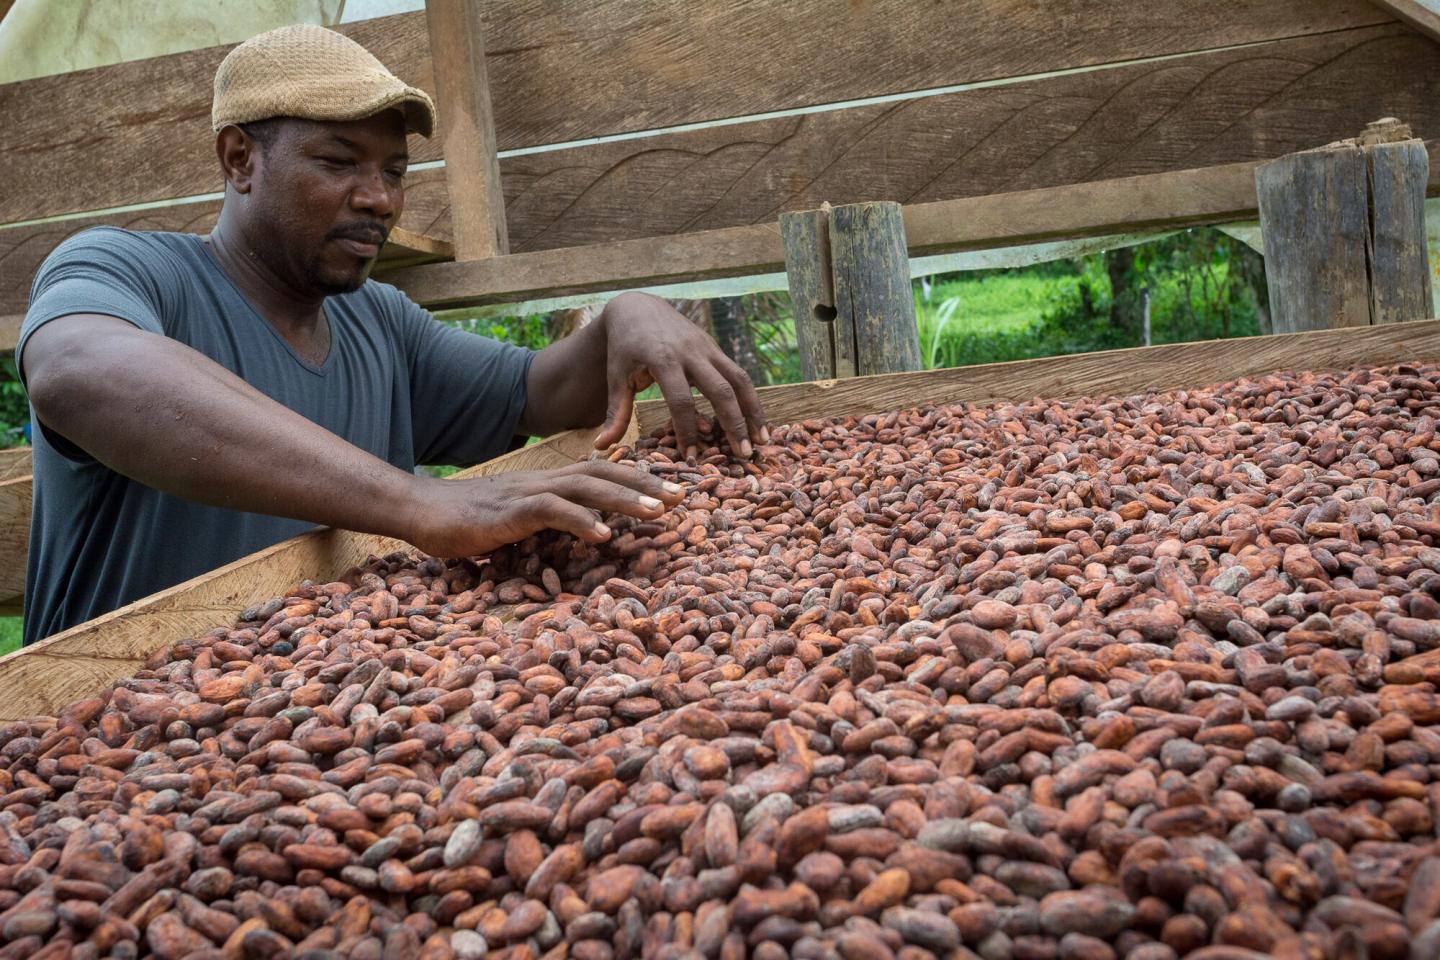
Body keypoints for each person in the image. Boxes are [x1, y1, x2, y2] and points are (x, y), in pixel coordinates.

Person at [16, 24, 767, 645]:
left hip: (338, 722)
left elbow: (538, 392)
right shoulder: (128, 269)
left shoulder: (381, 322)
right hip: (118, 744)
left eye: (395, 171)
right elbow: (76, 368)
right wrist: (419, 503)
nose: (378, 199)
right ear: (240, 159)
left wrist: (623, 319)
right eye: (339, 163)